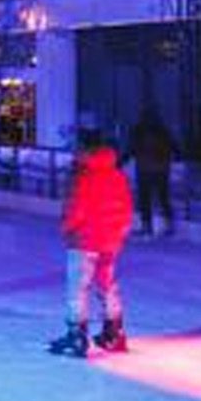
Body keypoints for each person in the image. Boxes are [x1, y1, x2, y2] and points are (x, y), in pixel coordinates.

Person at [48, 125, 134, 358]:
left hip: (85, 239)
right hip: (110, 240)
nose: (74, 153)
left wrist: (67, 227)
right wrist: (119, 233)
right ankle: (114, 332)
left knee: (79, 287)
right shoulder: (117, 175)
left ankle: (77, 335)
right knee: (107, 284)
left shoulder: (85, 176)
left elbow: (77, 208)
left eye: (77, 149)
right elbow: (127, 208)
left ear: (87, 151)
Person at [125, 104, 177, 236]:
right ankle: (169, 225)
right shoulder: (162, 130)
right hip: (162, 169)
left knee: (145, 199)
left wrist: (120, 161)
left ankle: (147, 226)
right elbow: (173, 146)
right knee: (163, 197)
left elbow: (132, 149)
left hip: (145, 169)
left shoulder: (139, 130)